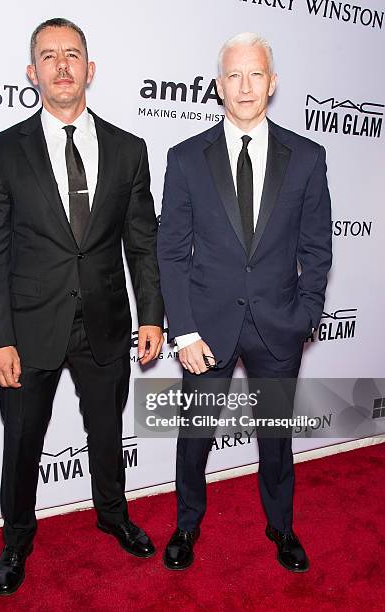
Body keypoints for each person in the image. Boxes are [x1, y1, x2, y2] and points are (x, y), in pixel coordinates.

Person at [0, 18, 164, 596]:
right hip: (29, 329)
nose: (62, 65)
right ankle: (17, 540)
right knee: (23, 440)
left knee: (107, 432)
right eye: (49, 56)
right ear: (32, 73)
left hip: (105, 323)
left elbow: (142, 240)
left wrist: (152, 314)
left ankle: (112, 515)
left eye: (72, 54)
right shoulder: (1, 151)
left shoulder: (130, 150)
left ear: (90, 69)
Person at [157, 32, 332, 572]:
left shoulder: (306, 157)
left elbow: (317, 248)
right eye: (234, 75)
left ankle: (282, 526)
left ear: (272, 83)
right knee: (195, 436)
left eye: (256, 74)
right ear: (218, 86)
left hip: (278, 325)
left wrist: (305, 315)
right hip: (205, 330)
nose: (245, 86)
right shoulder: (186, 159)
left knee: (276, 439)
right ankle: (186, 525)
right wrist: (183, 331)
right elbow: (171, 251)